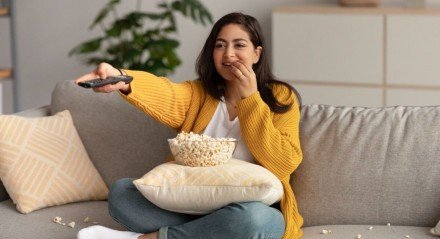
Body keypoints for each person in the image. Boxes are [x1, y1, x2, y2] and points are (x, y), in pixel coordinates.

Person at [75, 12, 303, 239]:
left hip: (249, 211)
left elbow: (284, 163)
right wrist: (121, 77)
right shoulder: (199, 93)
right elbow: (166, 93)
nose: (229, 54)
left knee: (256, 220)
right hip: (191, 209)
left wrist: (251, 100)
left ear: (257, 53)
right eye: (220, 45)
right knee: (122, 193)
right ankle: (206, 233)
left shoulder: (281, 96)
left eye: (239, 45)